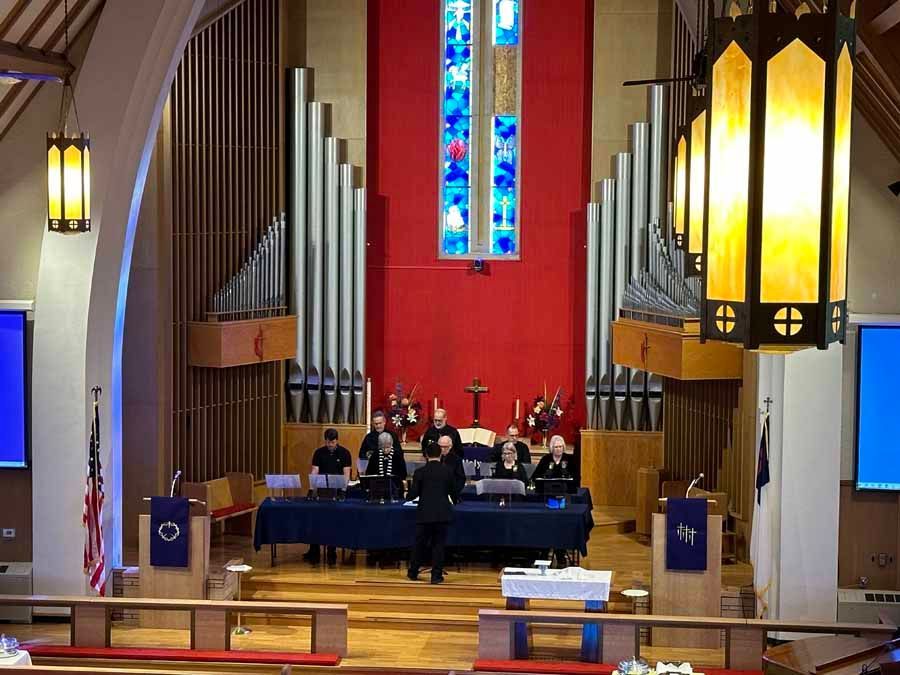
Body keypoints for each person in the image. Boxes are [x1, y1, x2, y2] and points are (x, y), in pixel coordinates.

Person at [407, 440, 461, 584]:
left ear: (426, 455)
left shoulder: (420, 472)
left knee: (419, 544)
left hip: (424, 513)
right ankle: (436, 576)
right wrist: (455, 501)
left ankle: (413, 572)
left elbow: (412, 494)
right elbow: (454, 492)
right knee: (438, 545)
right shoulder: (447, 471)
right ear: (440, 454)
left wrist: (408, 495)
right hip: (442, 513)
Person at [304, 428, 352, 565]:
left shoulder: (344, 453)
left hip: (336, 491)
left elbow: (346, 473)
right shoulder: (319, 453)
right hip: (322, 491)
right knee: (316, 520)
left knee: (332, 522)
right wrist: (311, 489)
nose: (330, 445)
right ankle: (314, 550)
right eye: (328, 442)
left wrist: (343, 490)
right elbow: (315, 471)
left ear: (337, 440)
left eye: (332, 442)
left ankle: (332, 550)